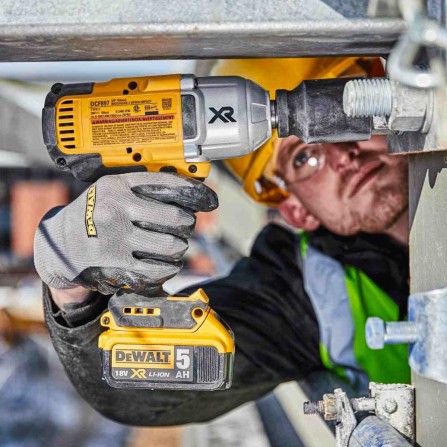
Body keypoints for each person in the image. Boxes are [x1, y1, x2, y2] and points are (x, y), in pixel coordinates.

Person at [33, 57, 411, 426]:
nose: (344, 155)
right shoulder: (302, 295)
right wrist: (69, 286)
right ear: (296, 210)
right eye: (305, 158)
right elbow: (132, 392)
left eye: (342, 117)